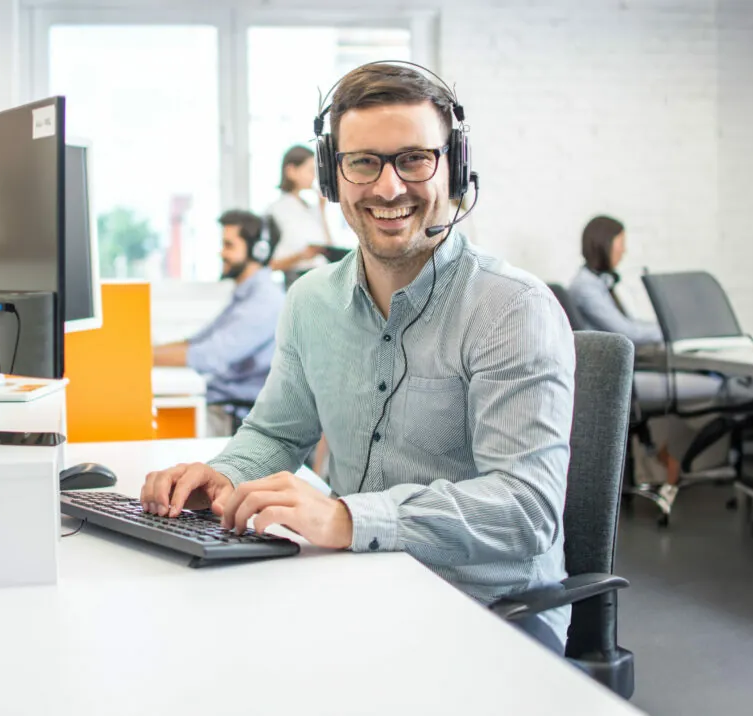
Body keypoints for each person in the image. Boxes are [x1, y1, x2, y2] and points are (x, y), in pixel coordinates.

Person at [141, 63, 575, 654]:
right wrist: (225, 473)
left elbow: (526, 507)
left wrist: (348, 519)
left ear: (455, 169)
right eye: (363, 162)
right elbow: (276, 431)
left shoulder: (511, 308)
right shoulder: (310, 300)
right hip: (351, 589)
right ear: (332, 175)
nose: (388, 188)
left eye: (415, 158)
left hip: (490, 615)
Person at [569, 215, 753, 505]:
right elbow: (626, 332)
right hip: (621, 383)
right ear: (604, 244)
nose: (624, 252)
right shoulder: (586, 287)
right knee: (725, 386)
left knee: (715, 374)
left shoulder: (597, 283)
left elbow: (629, 328)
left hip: (629, 374)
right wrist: (677, 327)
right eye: (620, 244)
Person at [152, 210, 285, 436]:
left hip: (238, 416)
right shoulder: (247, 294)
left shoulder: (265, 301)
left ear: (258, 251)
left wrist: (139, 358)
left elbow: (209, 355)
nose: (221, 253)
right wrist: (146, 352)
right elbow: (197, 341)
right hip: (222, 405)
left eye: (229, 245)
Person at [267, 145, 332, 287]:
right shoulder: (276, 210)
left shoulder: (308, 208)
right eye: (310, 171)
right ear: (291, 171)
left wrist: (322, 209)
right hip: (298, 281)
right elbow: (269, 264)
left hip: (321, 279)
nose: (314, 176)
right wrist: (301, 255)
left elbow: (328, 245)